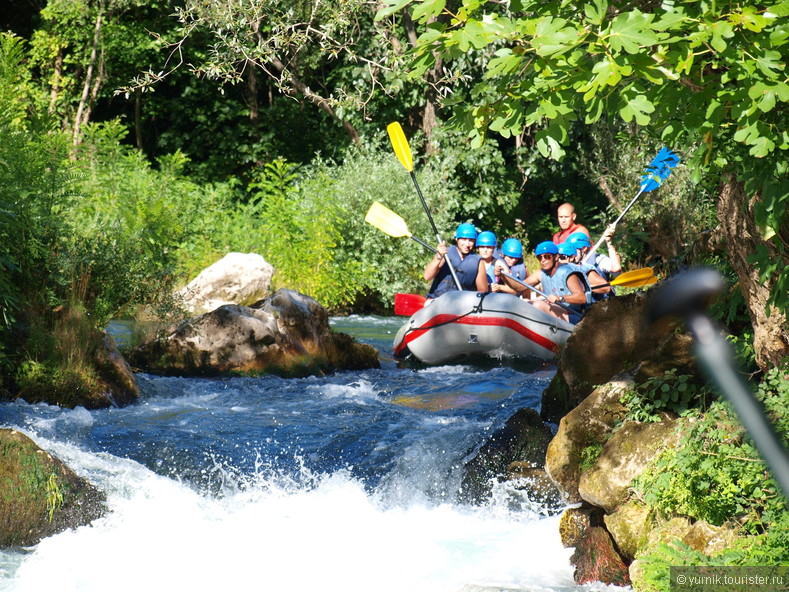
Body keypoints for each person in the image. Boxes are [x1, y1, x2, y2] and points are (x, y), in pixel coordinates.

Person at [519, 241, 589, 324]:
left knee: (538, 305)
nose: (543, 260)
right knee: (526, 302)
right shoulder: (542, 273)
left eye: (547, 256)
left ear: (556, 257)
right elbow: (518, 287)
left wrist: (560, 298)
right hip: (556, 312)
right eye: (539, 258)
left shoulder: (567, 272)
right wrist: (502, 275)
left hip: (574, 316)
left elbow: (582, 298)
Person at [424, 223, 489, 300]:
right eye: (464, 239)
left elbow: (483, 290)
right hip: (437, 299)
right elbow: (427, 276)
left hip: (460, 303)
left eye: (471, 240)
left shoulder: (478, 261)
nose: (467, 244)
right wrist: (439, 256)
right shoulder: (444, 253)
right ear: (456, 239)